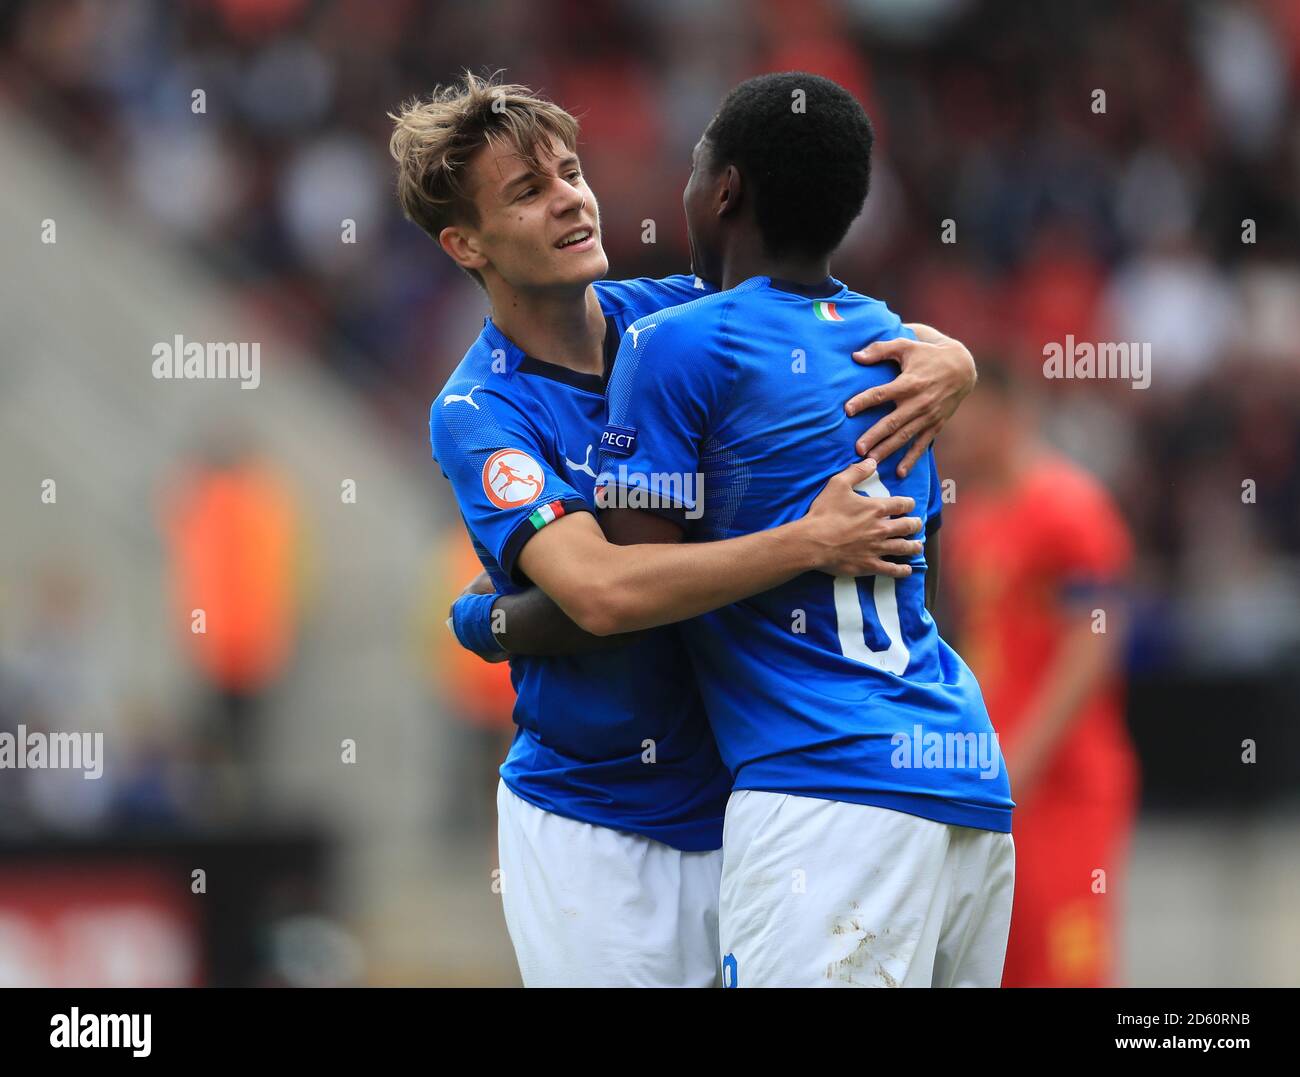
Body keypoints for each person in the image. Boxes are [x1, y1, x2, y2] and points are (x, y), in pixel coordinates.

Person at [392, 72, 979, 986]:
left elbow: (823, 310)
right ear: (463, 242)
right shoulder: (480, 409)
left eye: (570, 173)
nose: (569, 201)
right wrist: (808, 542)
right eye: (528, 191)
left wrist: (953, 359)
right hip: (598, 821)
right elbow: (601, 590)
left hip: (751, 799)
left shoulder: (669, 318)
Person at [598, 72, 1015, 987]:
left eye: (693, 165)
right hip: (963, 779)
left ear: (724, 188)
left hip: (827, 801)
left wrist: (501, 601)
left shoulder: (673, 342)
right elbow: (925, 579)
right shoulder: (898, 347)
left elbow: (631, 587)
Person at [941, 362, 1138, 987]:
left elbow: (1096, 638)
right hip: (999, 778)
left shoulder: (1067, 505)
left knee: (1067, 961)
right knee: (1006, 961)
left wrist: (1026, 753)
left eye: (964, 418)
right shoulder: (972, 517)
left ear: (1004, 413)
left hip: (1064, 781)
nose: (954, 436)